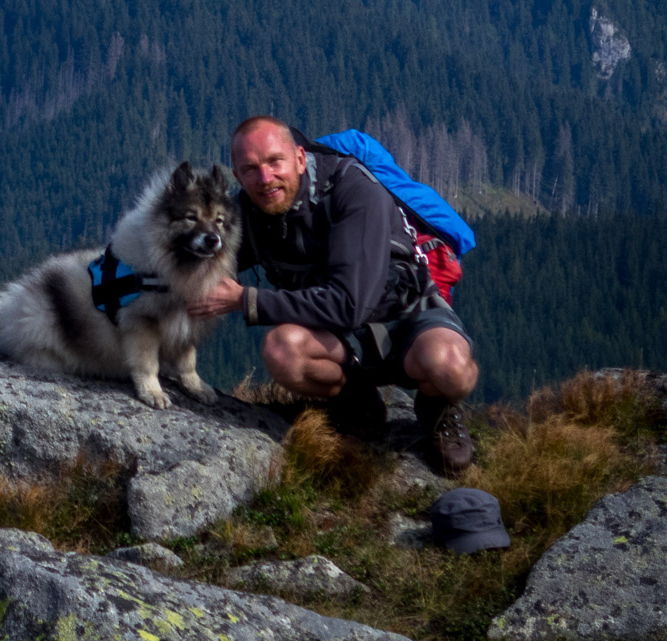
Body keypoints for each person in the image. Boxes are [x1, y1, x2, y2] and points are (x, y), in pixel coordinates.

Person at [188, 115, 479, 473]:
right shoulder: (248, 212)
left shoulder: (352, 190)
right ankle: (359, 406)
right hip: (340, 338)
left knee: (451, 367)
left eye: (274, 162)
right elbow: (196, 265)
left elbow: (348, 305)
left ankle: (436, 408)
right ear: (237, 176)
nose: (265, 179)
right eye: (250, 169)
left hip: (406, 316)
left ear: (298, 157)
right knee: (282, 350)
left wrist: (245, 300)